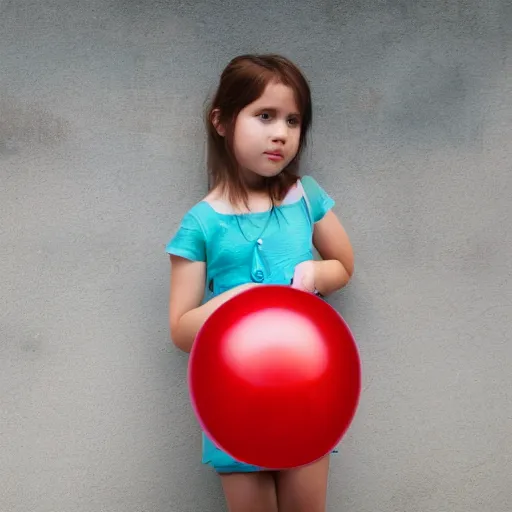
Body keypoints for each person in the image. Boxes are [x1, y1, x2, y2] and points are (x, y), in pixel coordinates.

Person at [165, 54, 354, 512]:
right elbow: (181, 329)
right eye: (264, 115)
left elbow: (344, 264)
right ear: (223, 122)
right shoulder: (200, 223)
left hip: (308, 391)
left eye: (293, 120)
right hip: (234, 398)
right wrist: (236, 301)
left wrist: (317, 275)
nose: (281, 133)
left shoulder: (304, 196)